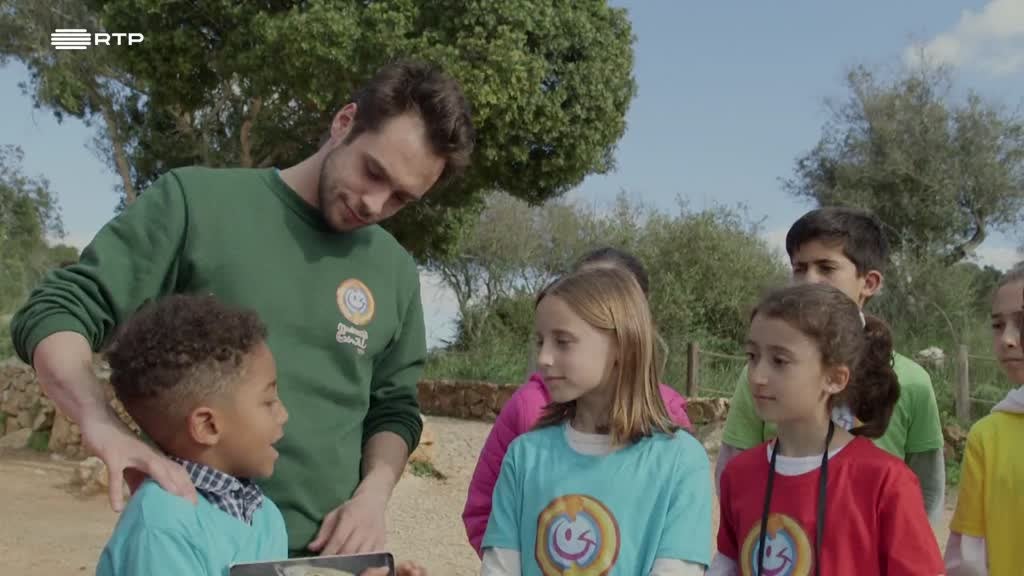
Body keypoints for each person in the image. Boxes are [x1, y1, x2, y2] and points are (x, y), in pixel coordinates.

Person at [9, 59, 475, 557]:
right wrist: (100, 423)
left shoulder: (396, 271)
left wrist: (373, 495)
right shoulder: (197, 204)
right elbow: (60, 309)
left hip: (328, 565)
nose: (374, 204)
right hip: (197, 555)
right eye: (372, 171)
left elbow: (394, 406)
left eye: (402, 198)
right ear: (344, 123)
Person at [716, 207, 946, 523]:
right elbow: (734, 466)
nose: (809, 281)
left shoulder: (913, 381)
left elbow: (928, 490)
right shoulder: (759, 373)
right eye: (799, 268)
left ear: (870, 282)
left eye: (826, 267)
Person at [481, 266, 712, 575]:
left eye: (562, 341)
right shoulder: (523, 456)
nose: (543, 358)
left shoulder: (681, 461)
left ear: (621, 346)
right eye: (540, 341)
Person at [712, 283, 944, 576]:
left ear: (835, 378)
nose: (757, 376)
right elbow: (727, 564)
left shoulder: (885, 481)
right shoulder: (739, 474)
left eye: (779, 361)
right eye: (752, 356)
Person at [96, 295, 290, 575]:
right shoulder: (162, 524)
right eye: (269, 401)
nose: (284, 415)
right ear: (208, 426)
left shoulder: (265, 515)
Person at [945, 264, 1024, 576]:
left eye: (1022, 322)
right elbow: (970, 553)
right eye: (997, 325)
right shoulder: (988, 436)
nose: (1006, 339)